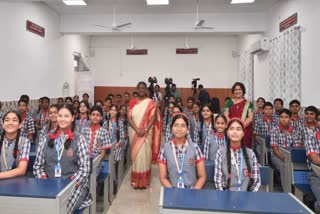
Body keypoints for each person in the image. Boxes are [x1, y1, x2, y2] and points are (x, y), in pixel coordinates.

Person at [33, 104, 92, 213]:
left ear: (73, 118)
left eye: (66, 116)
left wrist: (70, 185)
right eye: (60, 116)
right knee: (42, 208)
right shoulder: (46, 138)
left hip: (73, 187)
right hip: (49, 185)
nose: (62, 119)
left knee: (61, 209)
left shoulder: (79, 139)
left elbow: (85, 169)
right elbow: (37, 166)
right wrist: (46, 182)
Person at [127, 81, 161, 189]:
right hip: (134, 131)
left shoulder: (151, 102)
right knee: (136, 156)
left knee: (145, 155)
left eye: (143, 88)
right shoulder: (132, 102)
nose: (141, 90)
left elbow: (153, 117)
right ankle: (135, 181)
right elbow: (129, 117)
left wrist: (145, 129)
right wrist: (137, 129)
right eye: (139, 88)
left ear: (146, 89)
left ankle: (144, 181)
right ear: (137, 89)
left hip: (147, 132)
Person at [158, 113, 206, 189]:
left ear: (187, 129)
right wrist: (173, 192)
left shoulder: (195, 148)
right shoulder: (164, 148)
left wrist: (194, 191)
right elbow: (163, 177)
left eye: (183, 126)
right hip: (172, 191)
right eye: (176, 125)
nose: (179, 129)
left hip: (192, 191)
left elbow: (202, 176)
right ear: (171, 128)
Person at [214, 118, 260, 192]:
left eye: (238, 129)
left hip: (247, 197)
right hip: (226, 197)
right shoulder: (220, 153)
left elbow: (256, 181)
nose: (235, 132)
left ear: (243, 133)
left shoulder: (251, 154)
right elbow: (218, 181)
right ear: (227, 132)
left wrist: (249, 198)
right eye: (231, 129)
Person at [270, 108, 301, 191]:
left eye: (286, 117)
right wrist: (285, 159)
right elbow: (275, 149)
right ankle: (287, 191)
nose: (283, 119)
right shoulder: (274, 131)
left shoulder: (294, 131)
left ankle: (298, 190)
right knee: (284, 166)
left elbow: (296, 147)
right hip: (277, 156)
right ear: (279, 118)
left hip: (291, 156)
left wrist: (290, 159)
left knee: (298, 166)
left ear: (290, 119)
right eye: (281, 117)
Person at [0, 111, 30, 179]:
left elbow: (22, 170)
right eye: (7, 120)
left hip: (17, 183)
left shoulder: (25, 141)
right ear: (3, 125)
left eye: (14, 120)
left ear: (20, 125)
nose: (10, 123)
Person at [82, 106, 111, 175]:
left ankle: (95, 185)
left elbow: (103, 153)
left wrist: (95, 163)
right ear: (89, 116)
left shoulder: (104, 132)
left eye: (97, 115)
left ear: (101, 118)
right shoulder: (84, 130)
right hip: (84, 161)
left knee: (91, 174)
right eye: (93, 114)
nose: (95, 117)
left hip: (97, 163)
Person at [224, 82, 254, 148]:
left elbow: (250, 118)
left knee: (245, 150)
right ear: (233, 91)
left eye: (239, 89)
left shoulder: (248, 103)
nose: (237, 91)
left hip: (245, 130)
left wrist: (240, 128)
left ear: (243, 91)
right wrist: (232, 127)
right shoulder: (229, 102)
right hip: (232, 129)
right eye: (235, 89)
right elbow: (225, 115)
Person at [304, 111, 320, 213]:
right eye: (319, 120)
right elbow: (315, 160)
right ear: (316, 122)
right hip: (316, 174)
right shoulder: (311, 138)